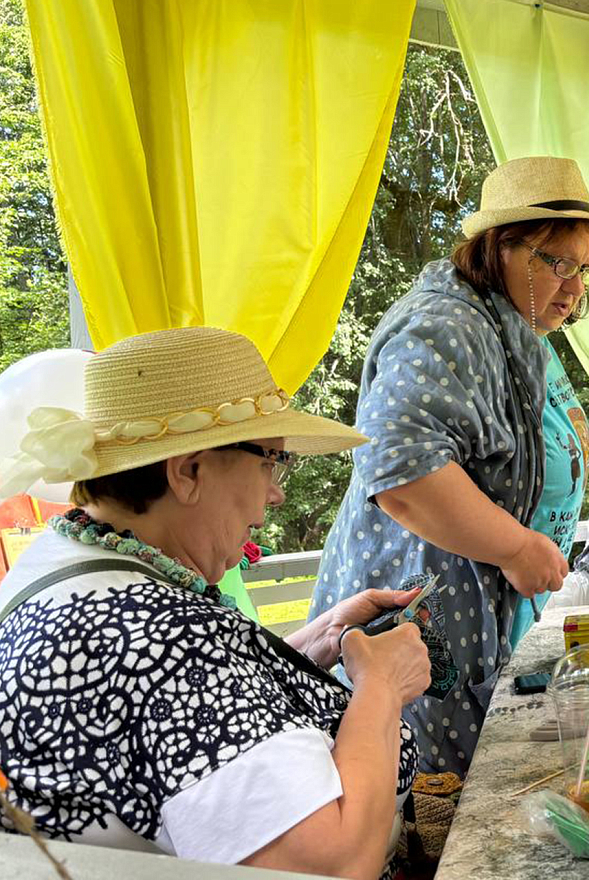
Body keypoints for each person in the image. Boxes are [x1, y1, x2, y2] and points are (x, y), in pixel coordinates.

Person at [0, 328, 431, 880]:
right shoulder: (156, 638)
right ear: (189, 472)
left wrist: (313, 645)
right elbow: (334, 862)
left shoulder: (63, 561)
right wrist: (382, 687)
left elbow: (179, 715)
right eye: (269, 462)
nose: (275, 492)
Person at [309, 156, 589, 774]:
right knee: (421, 818)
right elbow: (401, 471)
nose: (575, 287)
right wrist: (517, 548)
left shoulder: (506, 326)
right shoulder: (446, 324)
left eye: (584, 269)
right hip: (410, 631)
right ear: (499, 247)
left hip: (449, 632)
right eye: (557, 263)